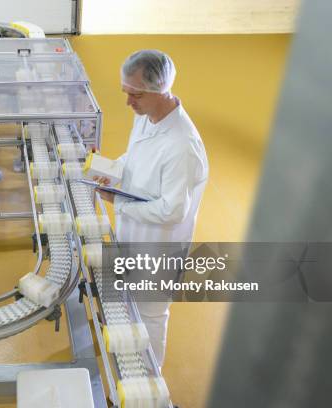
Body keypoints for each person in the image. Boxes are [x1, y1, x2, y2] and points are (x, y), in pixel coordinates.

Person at [96, 50, 209, 368]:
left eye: (135, 95)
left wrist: (119, 202)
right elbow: (135, 156)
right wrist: (112, 169)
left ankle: (149, 384)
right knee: (122, 300)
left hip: (157, 250)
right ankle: (121, 359)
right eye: (126, 92)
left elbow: (173, 211)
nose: (128, 103)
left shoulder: (182, 146)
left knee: (150, 316)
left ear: (159, 90)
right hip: (131, 231)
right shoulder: (145, 115)